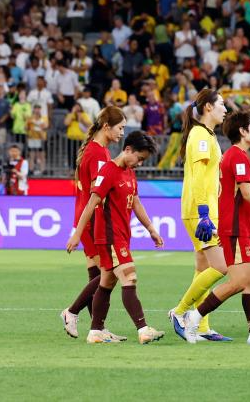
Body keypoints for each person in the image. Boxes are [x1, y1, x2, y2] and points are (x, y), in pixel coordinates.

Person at [181, 111, 250, 345]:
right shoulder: (236, 156)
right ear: (242, 131)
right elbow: (247, 193)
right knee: (238, 282)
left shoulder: (241, 157)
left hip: (249, 226)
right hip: (236, 227)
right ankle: (193, 316)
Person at [65, 131, 166, 344]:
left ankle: (95, 331)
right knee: (129, 277)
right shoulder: (108, 171)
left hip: (121, 235)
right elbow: (91, 204)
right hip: (109, 237)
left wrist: (151, 228)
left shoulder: (129, 172)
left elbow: (136, 202)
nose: (139, 163)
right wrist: (77, 234)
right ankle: (143, 329)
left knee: (106, 282)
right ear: (128, 150)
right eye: (139, 158)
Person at [168, 88, 232, 343]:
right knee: (221, 266)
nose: (225, 109)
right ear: (208, 107)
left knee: (203, 268)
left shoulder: (208, 135)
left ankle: (202, 326)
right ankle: (180, 312)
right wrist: (204, 213)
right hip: (200, 212)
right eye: (222, 104)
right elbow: (198, 179)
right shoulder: (200, 136)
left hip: (205, 210)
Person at [61, 107, 126, 340]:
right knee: (110, 272)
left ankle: (97, 328)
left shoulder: (98, 150)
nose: (122, 133)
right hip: (92, 219)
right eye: (120, 128)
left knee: (96, 274)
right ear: (106, 127)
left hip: (86, 216)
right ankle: (72, 311)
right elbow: (97, 193)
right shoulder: (98, 154)